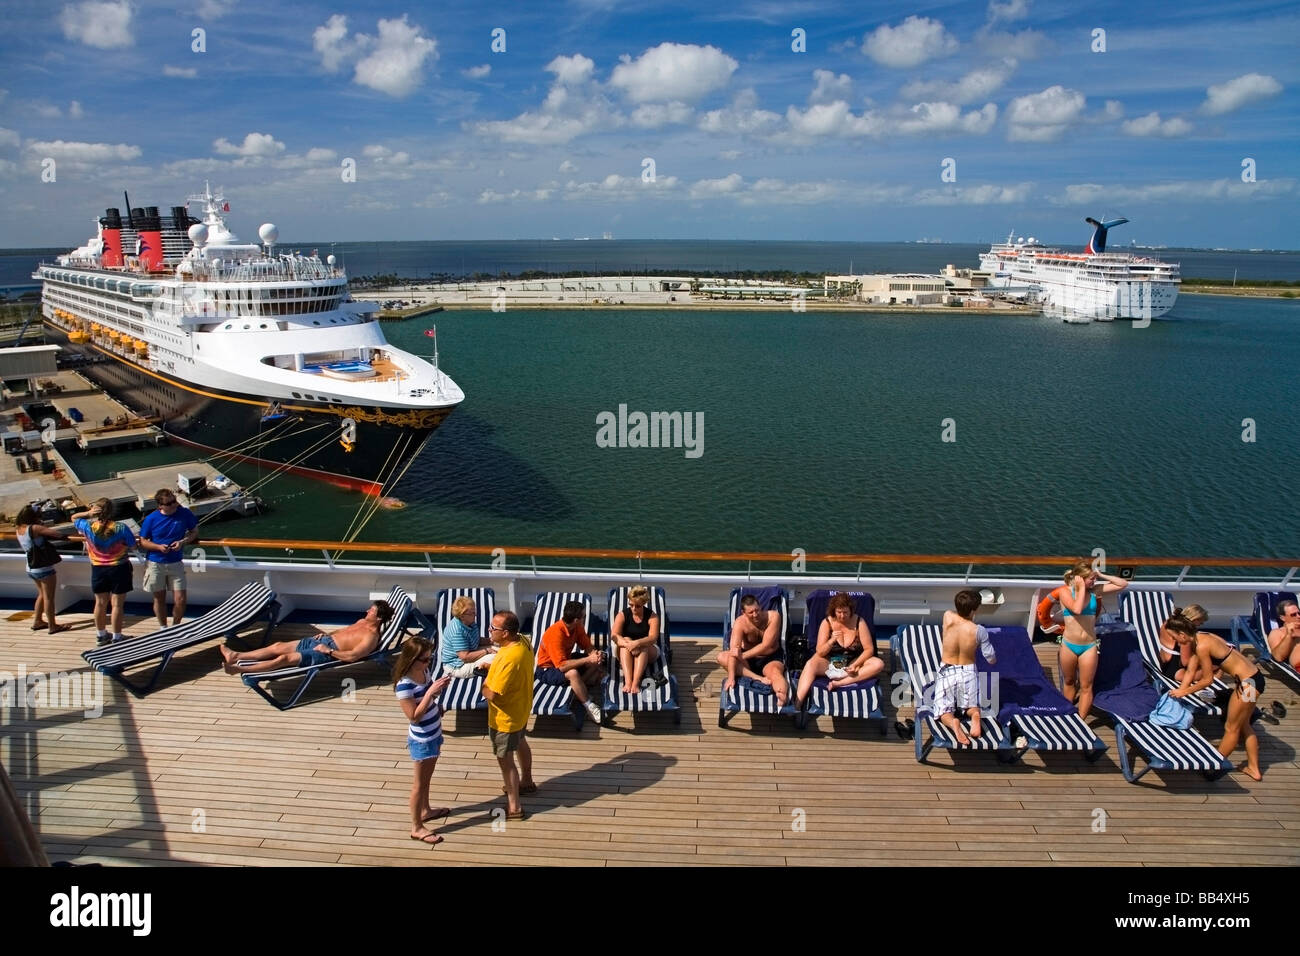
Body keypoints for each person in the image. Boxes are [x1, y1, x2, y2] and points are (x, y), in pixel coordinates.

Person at [1166, 611, 1264, 780]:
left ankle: (1213, 766)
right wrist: (1180, 690)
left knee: (1231, 728)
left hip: (1248, 685)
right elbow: (1190, 669)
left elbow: (1207, 680)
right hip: (1253, 680)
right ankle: (1253, 768)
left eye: (1175, 638)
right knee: (1245, 724)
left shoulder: (1202, 646)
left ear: (1182, 634)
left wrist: (1184, 691)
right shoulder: (1201, 637)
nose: (1176, 641)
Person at [220, 599, 393, 674]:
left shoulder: (371, 636)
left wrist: (329, 651)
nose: (367, 611)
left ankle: (239, 669)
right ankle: (236, 656)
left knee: (284, 659)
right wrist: (327, 635)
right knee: (277, 646)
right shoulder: (361, 621)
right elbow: (343, 633)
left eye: (371, 610)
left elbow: (353, 656)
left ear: (378, 618)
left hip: (326, 652)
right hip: (322, 641)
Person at [392, 636, 452, 845]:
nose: (429, 663)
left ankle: (425, 811)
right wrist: (431, 694)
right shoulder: (404, 685)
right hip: (422, 739)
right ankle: (416, 827)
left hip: (434, 732)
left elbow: (425, 701)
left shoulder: (423, 672)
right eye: (425, 659)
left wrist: (436, 701)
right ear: (411, 659)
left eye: (430, 658)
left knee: (426, 780)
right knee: (419, 784)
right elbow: (413, 716)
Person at [482, 611, 535, 820]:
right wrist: (493, 665)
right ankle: (527, 781)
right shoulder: (523, 641)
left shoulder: (508, 659)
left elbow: (492, 694)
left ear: (505, 633)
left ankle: (514, 807)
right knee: (521, 741)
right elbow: (506, 665)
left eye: (493, 628)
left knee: (505, 761)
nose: (489, 630)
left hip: (505, 718)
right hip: (521, 708)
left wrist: (484, 684)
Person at [1058, 559, 1127, 719]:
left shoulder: (1095, 591)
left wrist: (1101, 574)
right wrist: (1081, 587)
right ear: (1080, 578)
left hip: (1089, 646)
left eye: (1094, 578)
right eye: (1091, 578)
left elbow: (1122, 584)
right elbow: (1076, 608)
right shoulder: (1065, 592)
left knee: (1086, 686)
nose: (1094, 581)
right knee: (1068, 682)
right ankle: (1066, 715)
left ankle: (1080, 721)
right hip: (1068, 645)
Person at [794, 592, 884, 710]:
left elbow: (869, 649)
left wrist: (856, 664)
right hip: (831, 662)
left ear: (851, 610)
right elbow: (820, 652)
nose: (842, 616)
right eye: (839, 612)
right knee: (810, 664)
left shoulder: (859, 622)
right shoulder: (827, 623)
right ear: (834, 611)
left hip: (853, 662)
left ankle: (840, 683)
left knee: (878, 664)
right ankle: (797, 703)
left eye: (845, 612)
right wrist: (831, 641)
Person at [933, 589, 998, 745]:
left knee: (944, 711)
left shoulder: (948, 616)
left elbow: (956, 614)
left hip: (947, 669)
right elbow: (990, 659)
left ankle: (953, 723)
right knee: (971, 706)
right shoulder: (978, 631)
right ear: (975, 610)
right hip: (968, 671)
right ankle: (975, 715)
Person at [70, 498, 136, 645]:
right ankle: (117, 637)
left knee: (100, 603)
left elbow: (73, 517)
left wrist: (88, 513)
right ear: (112, 511)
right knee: (117, 604)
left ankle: (101, 635)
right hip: (119, 567)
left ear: (96, 511)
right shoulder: (121, 528)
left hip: (98, 568)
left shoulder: (88, 526)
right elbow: (133, 546)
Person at [536, 600, 605, 725]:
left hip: (565, 660)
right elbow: (561, 666)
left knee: (598, 662)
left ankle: (577, 691)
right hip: (547, 669)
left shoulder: (577, 627)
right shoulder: (555, 634)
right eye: (584, 616)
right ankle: (588, 705)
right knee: (573, 673)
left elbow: (587, 645)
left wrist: (594, 655)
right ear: (576, 620)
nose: (585, 618)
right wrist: (588, 659)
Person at [138, 488, 199, 627]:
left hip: (176, 562)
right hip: (155, 563)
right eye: (169, 503)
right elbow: (143, 541)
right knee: (159, 598)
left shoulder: (185, 513)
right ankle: (163, 627)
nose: (174, 505)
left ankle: (175, 626)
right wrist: (158, 547)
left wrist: (182, 542)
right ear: (160, 506)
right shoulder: (151, 519)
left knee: (181, 599)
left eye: (174, 501)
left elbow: (194, 531)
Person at [717, 594, 789, 707]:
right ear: (743, 612)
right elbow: (734, 650)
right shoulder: (740, 623)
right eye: (751, 612)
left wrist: (743, 655)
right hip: (748, 663)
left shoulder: (773, 617)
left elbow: (766, 645)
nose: (755, 615)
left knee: (775, 673)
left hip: (769, 659)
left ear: (760, 607)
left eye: (757, 610)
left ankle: (782, 697)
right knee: (721, 657)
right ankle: (758, 678)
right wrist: (731, 677)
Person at [15, 503, 70, 634]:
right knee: (49, 598)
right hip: (43, 568)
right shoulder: (35, 528)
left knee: (41, 595)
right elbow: (57, 534)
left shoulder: (19, 529)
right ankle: (52, 626)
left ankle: (38, 621)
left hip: (31, 567)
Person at [611, 585, 660, 696]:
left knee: (643, 644)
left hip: (647, 650)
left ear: (643, 604)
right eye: (631, 605)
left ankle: (636, 682)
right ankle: (628, 682)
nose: (633, 608)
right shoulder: (622, 615)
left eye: (637, 606)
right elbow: (614, 635)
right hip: (626, 650)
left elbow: (653, 638)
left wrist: (637, 643)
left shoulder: (652, 617)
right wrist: (629, 645)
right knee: (625, 639)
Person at [439, 596, 494, 678]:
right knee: (497, 658)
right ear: (462, 616)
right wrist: (487, 651)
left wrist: (491, 641)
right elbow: (465, 657)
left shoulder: (468, 622)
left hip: (469, 653)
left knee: (502, 649)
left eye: (474, 611)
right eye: (471, 613)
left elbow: (475, 640)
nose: (475, 615)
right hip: (457, 666)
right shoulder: (457, 631)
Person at [1156, 604, 1207, 683]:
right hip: (1176, 671)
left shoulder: (1168, 622)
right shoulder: (1185, 631)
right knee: (1217, 665)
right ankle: (1210, 689)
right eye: (1200, 623)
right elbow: (1185, 662)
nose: (1200, 625)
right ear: (1195, 619)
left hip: (1163, 664)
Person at [1266, 598, 1300, 669]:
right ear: (1283, 618)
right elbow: (1278, 657)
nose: (1298, 616)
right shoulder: (1277, 632)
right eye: (1293, 614)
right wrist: (1289, 635)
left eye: (1299, 613)